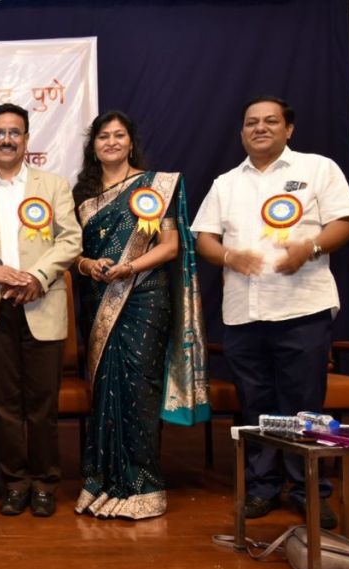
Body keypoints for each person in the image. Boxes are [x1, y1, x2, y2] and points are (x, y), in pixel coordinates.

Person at [192, 96, 349, 529]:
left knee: (305, 406)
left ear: (289, 128)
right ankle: (262, 487)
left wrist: (309, 248)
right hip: (244, 314)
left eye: (270, 121)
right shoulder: (226, 182)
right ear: (242, 131)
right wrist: (229, 258)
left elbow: (344, 222)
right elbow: (204, 239)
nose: (259, 128)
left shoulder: (318, 169)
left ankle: (310, 491)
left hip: (302, 307)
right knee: (256, 406)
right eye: (251, 123)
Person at [71, 110, 207, 520]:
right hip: (99, 301)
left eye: (119, 135)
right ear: (93, 145)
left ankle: (143, 485)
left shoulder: (156, 186)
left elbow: (171, 245)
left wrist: (131, 267)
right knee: (106, 389)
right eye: (103, 136)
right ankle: (103, 481)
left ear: (131, 142)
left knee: (139, 388)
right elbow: (73, 252)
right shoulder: (83, 194)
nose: (111, 142)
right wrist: (85, 265)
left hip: (146, 298)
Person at [0, 103, 81, 518]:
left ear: (26, 139)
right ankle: (14, 483)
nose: (6, 139)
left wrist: (36, 277)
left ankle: (45, 483)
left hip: (41, 301)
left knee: (43, 405)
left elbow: (70, 240)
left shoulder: (54, 185)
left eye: (14, 132)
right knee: (3, 404)